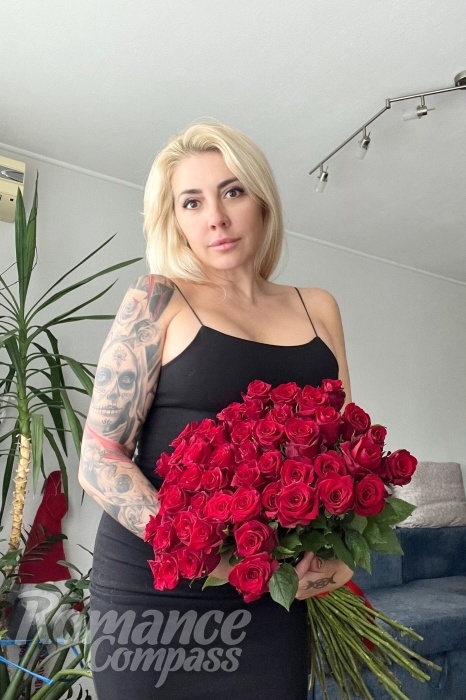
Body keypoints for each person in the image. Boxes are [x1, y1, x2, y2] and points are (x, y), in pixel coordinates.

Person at [79, 121, 354, 700]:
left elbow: (344, 454)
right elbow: (100, 458)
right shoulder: (158, 298)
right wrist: (214, 555)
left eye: (232, 191)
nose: (217, 218)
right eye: (192, 202)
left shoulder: (319, 307)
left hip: (272, 594)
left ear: (262, 200)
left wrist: (343, 553)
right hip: (154, 597)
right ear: (175, 219)